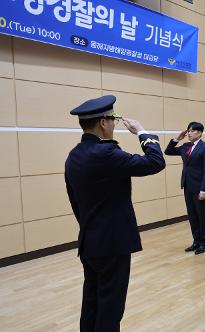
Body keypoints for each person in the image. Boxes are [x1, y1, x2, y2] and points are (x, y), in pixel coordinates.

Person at [64, 95, 165, 331]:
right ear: (103, 123)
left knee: (92, 302)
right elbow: (155, 162)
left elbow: (75, 201)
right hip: (112, 244)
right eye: (113, 120)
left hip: (90, 241)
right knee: (110, 307)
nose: (114, 125)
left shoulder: (74, 155)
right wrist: (142, 132)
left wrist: (91, 227)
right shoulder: (107, 154)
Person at [165, 122, 205, 254]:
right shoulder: (185, 146)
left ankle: (204, 241)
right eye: (188, 131)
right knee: (192, 215)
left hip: (199, 187)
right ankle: (196, 241)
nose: (189, 133)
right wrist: (177, 139)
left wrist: (204, 189)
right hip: (187, 185)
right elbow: (168, 151)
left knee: (201, 215)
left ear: (199, 133)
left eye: (192, 131)